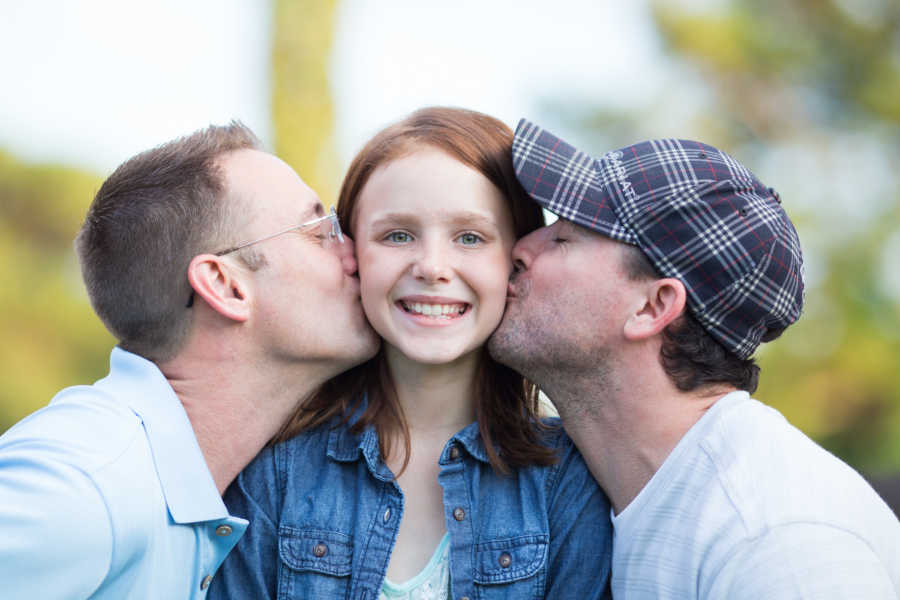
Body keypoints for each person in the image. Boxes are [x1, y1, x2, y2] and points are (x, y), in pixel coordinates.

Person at [209, 107, 612, 600]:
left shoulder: (568, 477)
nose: (432, 266)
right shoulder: (274, 469)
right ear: (351, 253)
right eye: (398, 235)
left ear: (516, 258)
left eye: (470, 237)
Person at [488, 119, 900, 598]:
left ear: (652, 307)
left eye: (564, 238)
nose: (520, 248)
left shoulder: (778, 545)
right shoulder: (612, 494)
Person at [0, 122, 379, 599]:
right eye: (319, 231)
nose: (358, 253)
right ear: (225, 286)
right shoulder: (84, 487)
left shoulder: (201, 491)